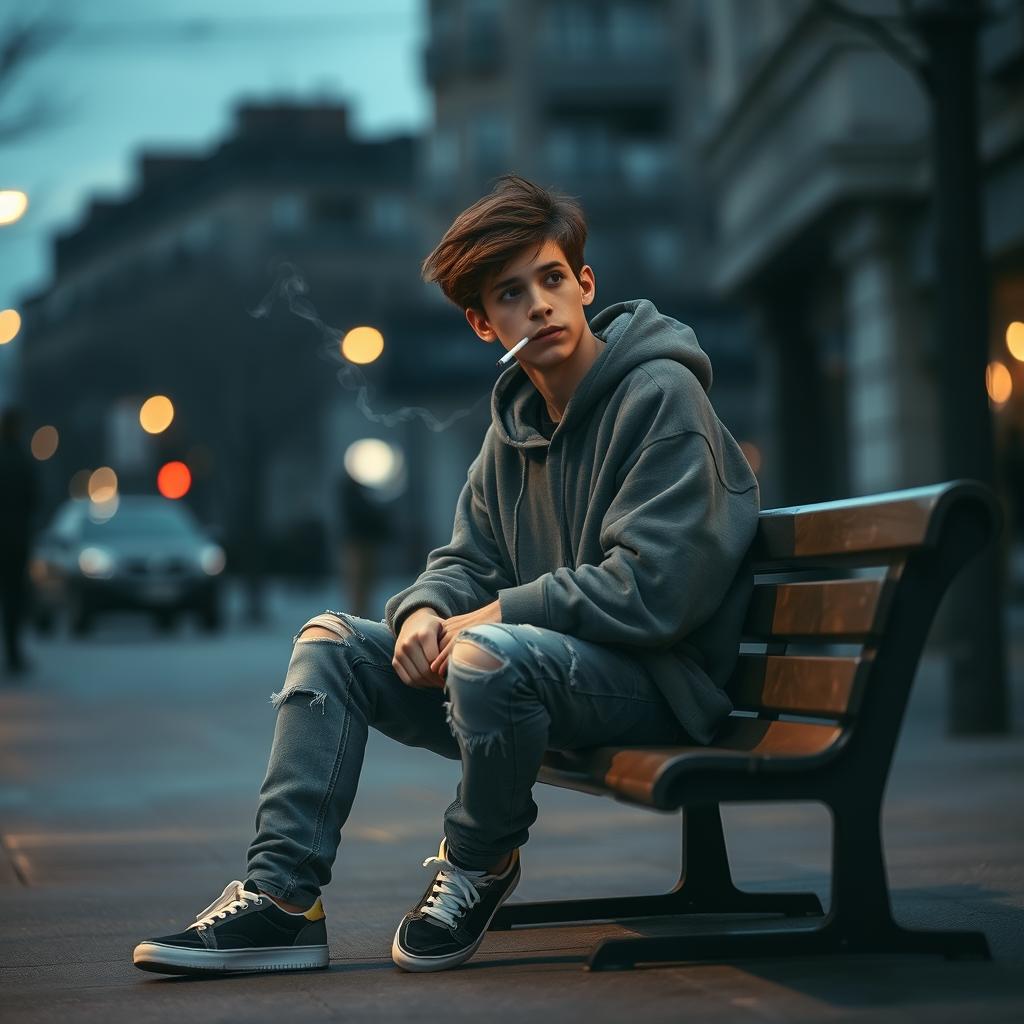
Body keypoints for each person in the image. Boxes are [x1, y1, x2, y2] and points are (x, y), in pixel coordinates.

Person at [133, 175, 761, 977]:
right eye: (510, 293)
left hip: (659, 687)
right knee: (331, 643)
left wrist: (482, 622)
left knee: (486, 654)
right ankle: (282, 900)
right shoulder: (513, 432)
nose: (538, 305)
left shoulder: (662, 397)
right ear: (481, 322)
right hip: (547, 678)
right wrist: (428, 611)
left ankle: (478, 864)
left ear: (585, 284)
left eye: (552, 279)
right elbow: (466, 559)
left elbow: (655, 589)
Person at [0, 407, 38, 677]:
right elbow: (35, 498)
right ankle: (13, 653)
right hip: (16, 540)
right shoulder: (23, 460)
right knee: (14, 599)